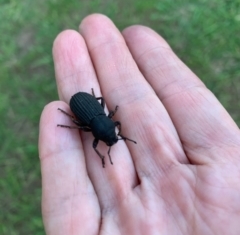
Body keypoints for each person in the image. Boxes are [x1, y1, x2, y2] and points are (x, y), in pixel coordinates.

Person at [39, 14, 240, 235]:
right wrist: (79, 131)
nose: (111, 139)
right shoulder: (95, 125)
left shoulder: (105, 122)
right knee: (79, 125)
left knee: (91, 121)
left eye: (112, 136)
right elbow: (96, 130)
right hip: (85, 106)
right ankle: (71, 124)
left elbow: (108, 126)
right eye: (111, 137)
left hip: (91, 108)